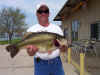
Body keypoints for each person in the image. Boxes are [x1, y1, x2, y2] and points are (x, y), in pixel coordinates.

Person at [26, 3, 67, 75]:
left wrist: (63, 47)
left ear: (49, 13)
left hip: (56, 64)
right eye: (40, 11)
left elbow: (64, 50)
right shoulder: (31, 30)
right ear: (36, 14)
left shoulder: (57, 29)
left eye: (45, 11)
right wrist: (32, 51)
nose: (43, 13)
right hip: (40, 65)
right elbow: (30, 53)